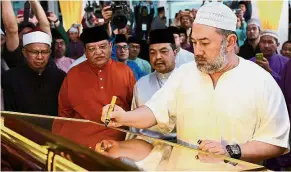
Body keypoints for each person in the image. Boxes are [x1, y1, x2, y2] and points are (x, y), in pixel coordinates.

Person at [101, 2, 290, 164]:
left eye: (205, 43)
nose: (197, 51)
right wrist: (124, 117)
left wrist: (232, 151)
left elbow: (276, 142)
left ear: (231, 42)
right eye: (194, 42)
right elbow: (155, 111)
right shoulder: (185, 74)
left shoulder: (260, 81)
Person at [58, 26, 136, 142]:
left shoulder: (125, 71)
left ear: (110, 46)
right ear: (85, 51)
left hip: (118, 143)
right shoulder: (73, 74)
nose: (98, 52)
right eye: (92, 49)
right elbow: (64, 114)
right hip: (82, 144)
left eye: (102, 46)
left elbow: (134, 110)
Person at [128, 28, 178, 140]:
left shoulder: (186, 80)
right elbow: (134, 127)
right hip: (146, 148)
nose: (158, 56)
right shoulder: (141, 84)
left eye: (164, 51)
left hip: (180, 148)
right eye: (152, 52)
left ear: (175, 53)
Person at [1, 30, 66, 116]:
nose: (40, 57)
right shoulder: (10, 77)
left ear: (50, 52)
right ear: (24, 52)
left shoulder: (60, 77)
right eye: (34, 52)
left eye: (44, 52)